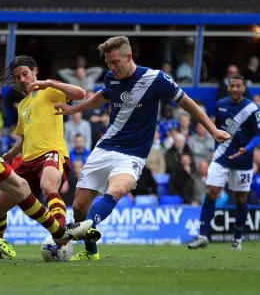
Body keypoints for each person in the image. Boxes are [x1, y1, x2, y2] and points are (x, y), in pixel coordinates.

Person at [54, 36, 230, 261]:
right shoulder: (111, 77)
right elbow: (103, 94)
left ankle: (86, 225)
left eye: (115, 62)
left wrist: (213, 129)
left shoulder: (155, 78)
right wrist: (75, 109)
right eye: (108, 63)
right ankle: (91, 251)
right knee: (79, 206)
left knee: (116, 190)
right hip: (106, 147)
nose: (111, 67)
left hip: (133, 153)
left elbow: (187, 102)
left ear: (129, 57)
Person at [0, 24, 92, 258]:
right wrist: (10, 155)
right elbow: (23, 139)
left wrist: (50, 83)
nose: (22, 79)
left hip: (51, 152)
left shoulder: (50, 90)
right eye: (18, 76)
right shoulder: (22, 105)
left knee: (48, 186)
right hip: (26, 160)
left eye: (26, 74)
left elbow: (80, 94)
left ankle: (61, 234)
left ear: (35, 71)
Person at [187, 75, 260, 250]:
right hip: (221, 157)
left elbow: (258, 134)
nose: (234, 89)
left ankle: (237, 236)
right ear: (228, 88)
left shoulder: (252, 109)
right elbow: (216, 129)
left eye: (238, 86)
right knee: (211, 192)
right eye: (231, 86)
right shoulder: (220, 105)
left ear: (243, 88)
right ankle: (203, 236)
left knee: (240, 198)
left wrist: (247, 149)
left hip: (243, 159)